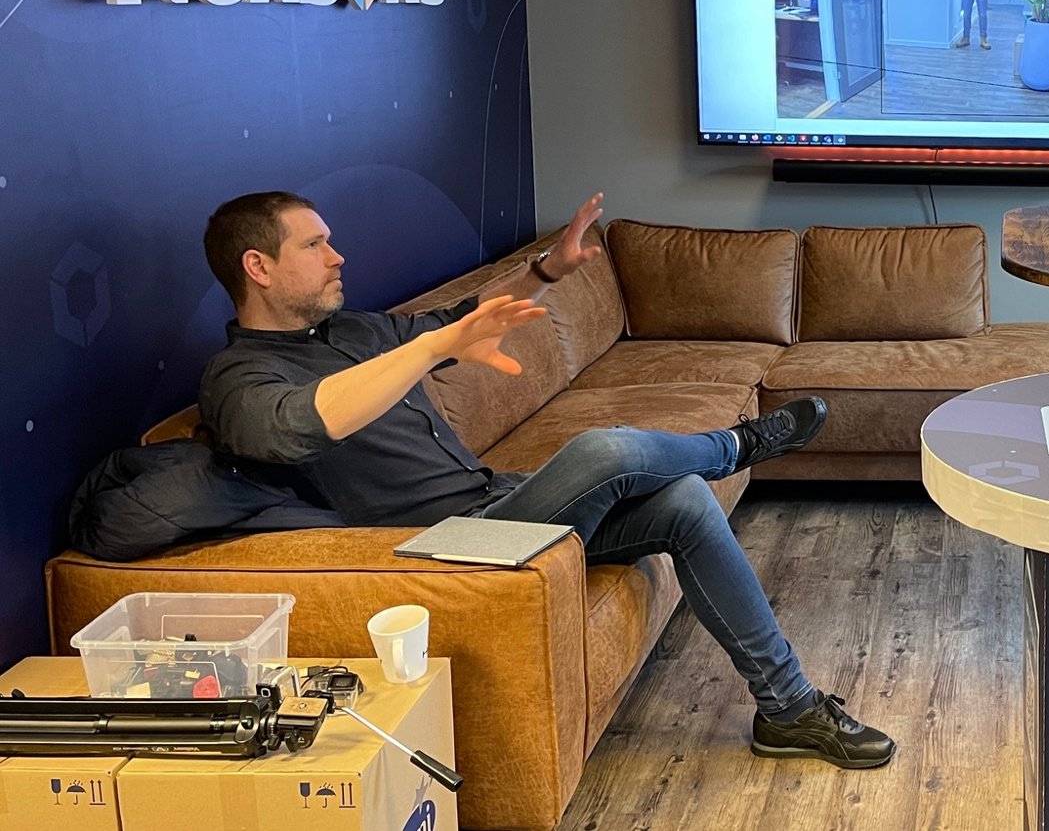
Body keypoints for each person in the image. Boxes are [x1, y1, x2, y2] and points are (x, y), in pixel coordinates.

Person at [197, 191, 895, 770]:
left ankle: (789, 708)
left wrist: (545, 272)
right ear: (258, 266)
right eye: (315, 244)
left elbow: (466, 323)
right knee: (605, 449)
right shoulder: (239, 380)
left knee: (683, 500)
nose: (337, 255)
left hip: (493, 503)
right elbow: (296, 425)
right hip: (437, 548)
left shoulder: (350, 333)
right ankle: (735, 445)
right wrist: (428, 349)